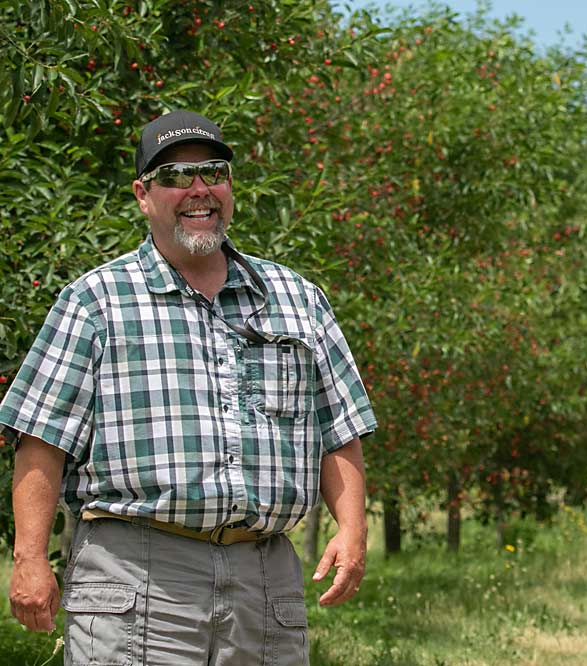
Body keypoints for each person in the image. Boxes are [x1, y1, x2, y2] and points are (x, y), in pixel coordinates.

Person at [1, 109, 377, 665]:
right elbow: (42, 441)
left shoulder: (297, 299)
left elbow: (338, 428)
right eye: (176, 177)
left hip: (264, 578)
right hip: (137, 576)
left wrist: (353, 529)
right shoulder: (96, 301)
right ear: (143, 194)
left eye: (213, 173)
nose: (199, 190)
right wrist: (30, 557)